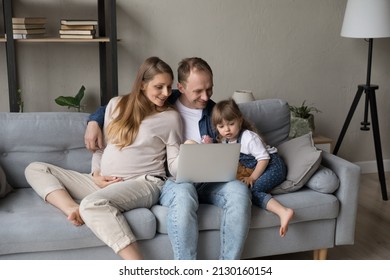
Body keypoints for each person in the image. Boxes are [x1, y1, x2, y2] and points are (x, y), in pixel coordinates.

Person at [84, 57, 252, 260]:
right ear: (180, 87)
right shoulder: (164, 100)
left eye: (209, 89)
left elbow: (247, 139)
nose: (205, 97)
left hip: (210, 182)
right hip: (174, 181)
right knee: (184, 192)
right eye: (198, 91)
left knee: (239, 191)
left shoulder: (217, 112)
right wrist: (93, 121)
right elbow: (122, 105)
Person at [24, 57, 183, 260]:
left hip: (144, 182)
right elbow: (101, 149)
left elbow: (174, 166)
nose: (166, 93)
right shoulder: (116, 105)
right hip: (102, 182)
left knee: (92, 204)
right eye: (159, 87)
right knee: (35, 168)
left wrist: (189, 152)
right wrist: (96, 174)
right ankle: (71, 208)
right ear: (142, 84)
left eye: (169, 87)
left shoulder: (170, 117)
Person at [211, 99, 294, 237]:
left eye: (231, 124)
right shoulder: (224, 141)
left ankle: (283, 212)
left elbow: (264, 158)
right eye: (221, 126)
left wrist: (252, 177)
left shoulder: (248, 137)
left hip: (273, 166)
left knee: (252, 191)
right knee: (241, 190)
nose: (227, 129)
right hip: (258, 167)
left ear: (240, 120)